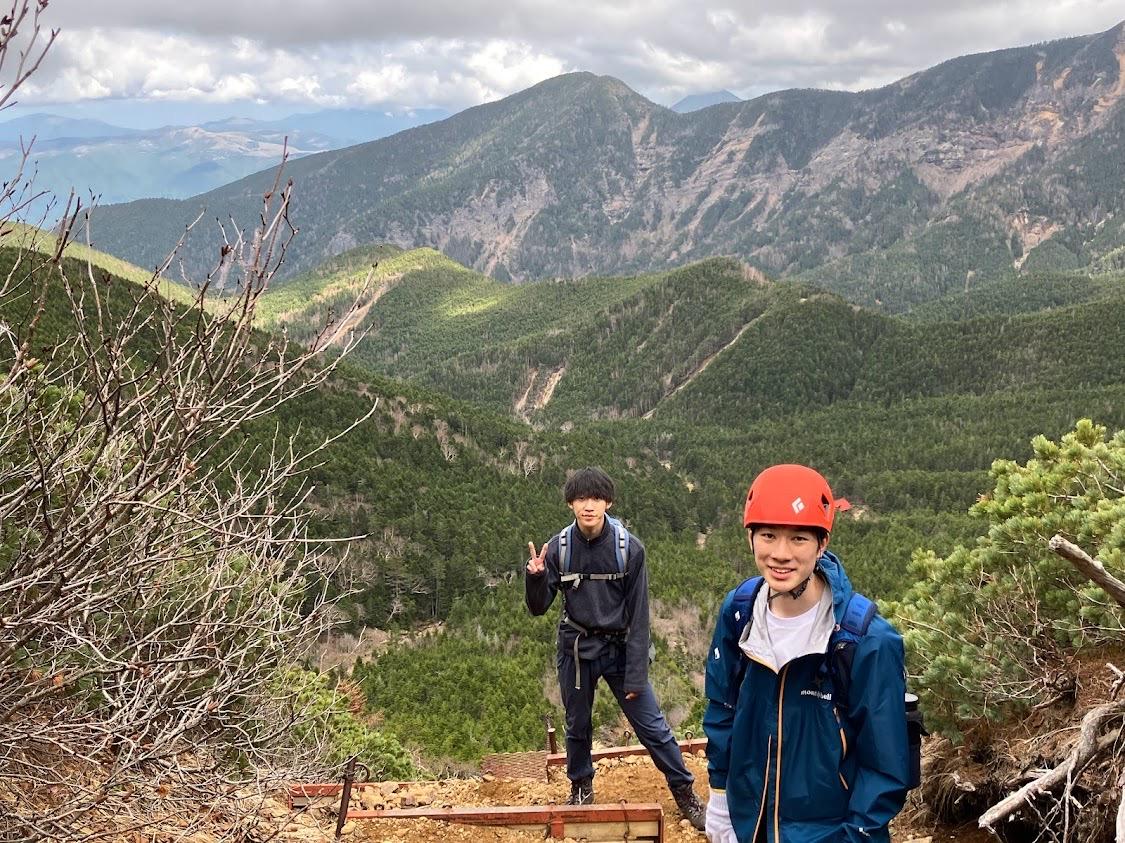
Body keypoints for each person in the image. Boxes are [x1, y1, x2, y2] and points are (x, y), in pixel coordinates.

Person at [703, 464, 910, 843]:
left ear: (822, 543)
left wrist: (855, 837)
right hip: (751, 823)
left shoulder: (864, 641)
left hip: (833, 832)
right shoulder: (739, 613)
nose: (780, 554)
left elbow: (885, 766)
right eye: (768, 535)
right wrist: (720, 797)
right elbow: (722, 707)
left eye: (798, 538)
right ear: (750, 537)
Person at [525, 466, 706, 830]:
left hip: (620, 649)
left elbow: (640, 616)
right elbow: (538, 607)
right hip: (576, 648)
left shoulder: (629, 549)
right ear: (570, 504)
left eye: (595, 498)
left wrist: (637, 674)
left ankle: (685, 792)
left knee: (652, 726)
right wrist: (536, 577)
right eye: (580, 498)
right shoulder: (559, 549)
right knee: (577, 723)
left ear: (608, 502)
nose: (588, 506)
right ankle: (580, 787)